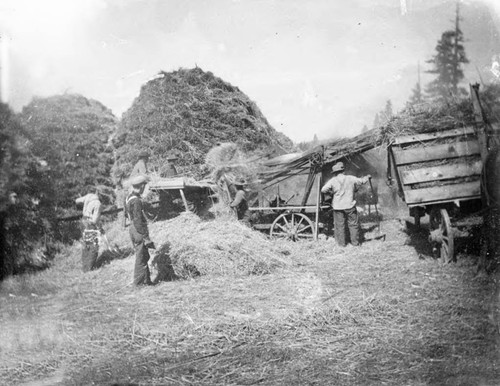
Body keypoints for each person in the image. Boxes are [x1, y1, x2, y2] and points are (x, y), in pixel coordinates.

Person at [321, 162, 370, 246]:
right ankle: (355, 243)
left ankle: (341, 244)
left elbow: (323, 190)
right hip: (350, 205)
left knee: (339, 225)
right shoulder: (351, 178)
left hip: (338, 207)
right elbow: (362, 181)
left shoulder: (333, 180)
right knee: (353, 224)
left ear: (335, 172)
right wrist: (367, 177)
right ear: (343, 170)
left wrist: (332, 192)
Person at [126, 174, 155, 286]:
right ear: (142, 186)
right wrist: (146, 236)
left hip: (132, 228)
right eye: (144, 186)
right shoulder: (137, 201)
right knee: (141, 257)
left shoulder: (128, 197)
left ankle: (146, 281)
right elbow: (138, 220)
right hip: (138, 229)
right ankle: (138, 284)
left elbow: (126, 214)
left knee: (143, 255)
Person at [75, 192, 103, 271]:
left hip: (83, 222)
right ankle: (89, 268)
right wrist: (99, 228)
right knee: (94, 246)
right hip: (90, 224)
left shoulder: (88, 196)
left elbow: (77, 200)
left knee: (86, 245)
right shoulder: (98, 203)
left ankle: (84, 267)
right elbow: (95, 220)